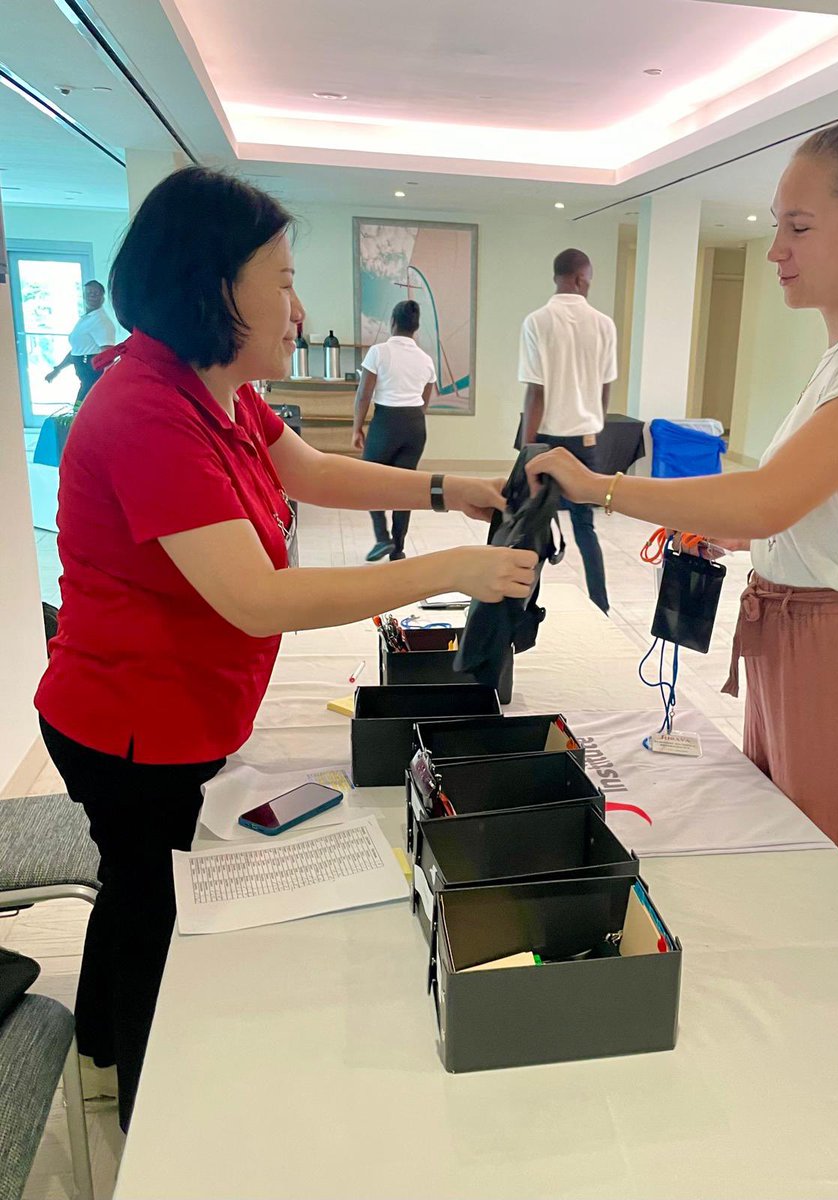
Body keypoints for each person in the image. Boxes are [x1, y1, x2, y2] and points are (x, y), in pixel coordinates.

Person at [34, 166, 536, 1130]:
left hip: (179, 714)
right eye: (283, 279)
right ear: (214, 285)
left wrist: (442, 493)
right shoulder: (146, 409)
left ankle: (102, 1051)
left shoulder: (214, 390)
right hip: (129, 729)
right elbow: (258, 600)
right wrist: (447, 572)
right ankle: (147, 1114)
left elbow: (308, 471)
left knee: (138, 899)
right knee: (152, 915)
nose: (297, 306)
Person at [528, 118, 838, 892]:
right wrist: (741, 537)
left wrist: (600, 485)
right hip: (796, 638)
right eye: (778, 224)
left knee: (821, 894)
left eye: (798, 227)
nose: (776, 248)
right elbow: (814, 506)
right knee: (780, 874)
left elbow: (770, 498)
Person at [519, 247, 617, 613]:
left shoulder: (536, 321)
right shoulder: (604, 324)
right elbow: (605, 387)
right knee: (584, 526)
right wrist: (595, 419)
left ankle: (525, 605)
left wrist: (527, 450)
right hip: (586, 439)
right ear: (578, 278)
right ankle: (601, 605)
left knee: (534, 525)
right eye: (589, 280)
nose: (589, 286)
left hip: (545, 441)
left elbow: (535, 391)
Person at [352, 299, 436, 561]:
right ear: (416, 328)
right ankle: (397, 549)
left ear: (392, 323)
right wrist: (411, 421)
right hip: (415, 425)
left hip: (386, 421)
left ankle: (382, 538)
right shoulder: (425, 360)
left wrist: (357, 429)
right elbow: (425, 399)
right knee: (405, 486)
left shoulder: (378, 352)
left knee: (367, 479)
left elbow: (364, 394)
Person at [45, 279, 116, 406]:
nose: (92, 296)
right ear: (83, 295)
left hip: (93, 378)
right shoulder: (85, 319)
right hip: (85, 378)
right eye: (89, 293)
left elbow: (108, 353)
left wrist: (108, 383)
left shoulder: (101, 321)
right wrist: (57, 369)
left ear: (103, 296)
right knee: (79, 412)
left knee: (80, 412)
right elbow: (76, 350)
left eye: (96, 293)